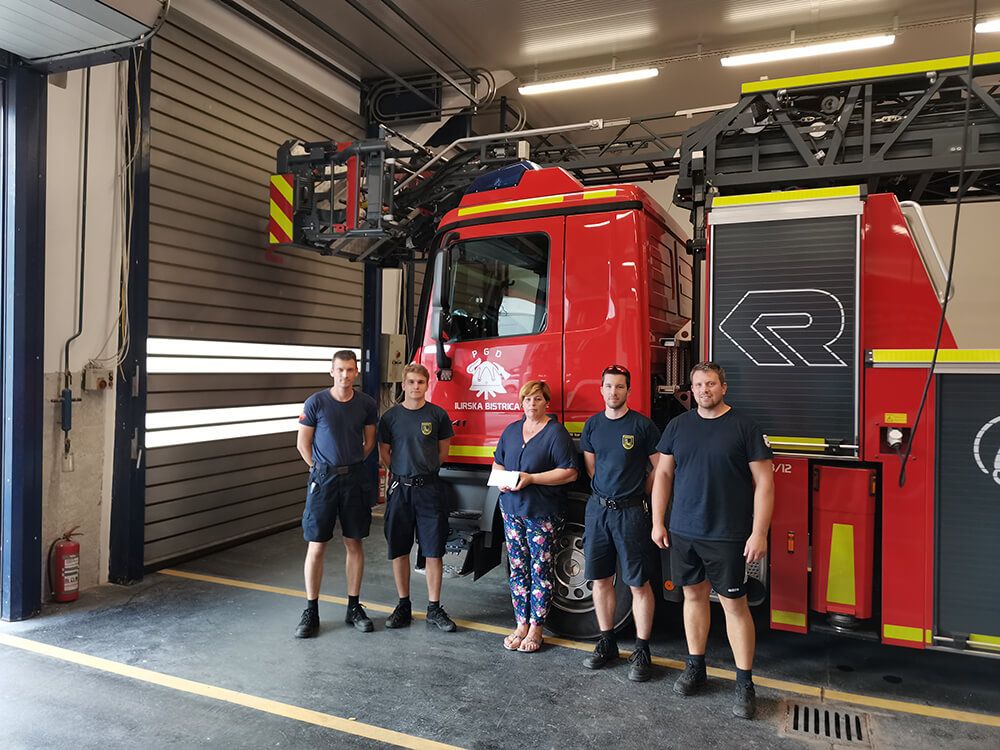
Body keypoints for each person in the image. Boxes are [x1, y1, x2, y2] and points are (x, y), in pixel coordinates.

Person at [651, 361, 774, 719]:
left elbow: (765, 484)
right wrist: (659, 522)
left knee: (735, 606)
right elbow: (663, 474)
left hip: (728, 535)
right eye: (698, 385)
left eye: (710, 384)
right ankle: (696, 667)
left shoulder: (744, 427)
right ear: (691, 390)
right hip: (684, 531)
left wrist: (759, 532)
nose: (704, 390)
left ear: (724, 387)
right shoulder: (678, 426)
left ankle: (744, 683)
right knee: (693, 596)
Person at [579, 364, 661, 682]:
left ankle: (642, 649)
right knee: (600, 580)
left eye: (620, 387)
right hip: (598, 512)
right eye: (609, 386)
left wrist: (641, 493)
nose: (614, 392)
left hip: (631, 513)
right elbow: (592, 467)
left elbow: (659, 468)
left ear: (629, 390)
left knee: (638, 583)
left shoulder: (642, 426)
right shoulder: (593, 425)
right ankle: (607, 642)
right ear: (601, 389)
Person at [294, 350, 378, 638]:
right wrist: (320, 470)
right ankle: (311, 611)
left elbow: (368, 443)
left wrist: (350, 463)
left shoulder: (366, 404)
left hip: (354, 478)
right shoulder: (316, 402)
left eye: (350, 370)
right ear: (332, 372)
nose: (345, 375)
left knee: (354, 542)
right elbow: (303, 444)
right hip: (323, 480)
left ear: (356, 373)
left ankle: (353, 607)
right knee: (316, 545)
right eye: (340, 370)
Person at [492, 381, 578, 653]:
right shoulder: (512, 430)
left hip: (542, 513)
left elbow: (570, 472)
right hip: (512, 510)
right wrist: (501, 480)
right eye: (527, 399)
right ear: (522, 402)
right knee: (518, 567)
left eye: (538, 399)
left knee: (540, 569)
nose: (532, 404)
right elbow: (498, 461)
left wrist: (531, 479)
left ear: (546, 403)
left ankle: (537, 629)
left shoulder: (556, 434)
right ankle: (520, 625)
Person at [378, 363, 457, 632]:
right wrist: (402, 474)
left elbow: (442, 452)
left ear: (427, 385)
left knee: (434, 550)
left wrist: (423, 470)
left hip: (429, 490)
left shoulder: (438, 415)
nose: (415, 387)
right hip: (401, 490)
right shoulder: (390, 418)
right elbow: (385, 453)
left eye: (420, 383)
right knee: (399, 549)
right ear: (403, 385)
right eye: (410, 382)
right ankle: (403, 605)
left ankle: (434, 608)